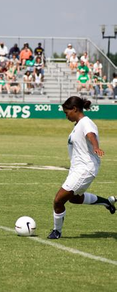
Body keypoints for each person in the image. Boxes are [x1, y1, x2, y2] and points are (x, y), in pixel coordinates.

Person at [47, 96, 116, 239]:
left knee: (58, 200)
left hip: (85, 169)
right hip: (78, 169)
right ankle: (106, 202)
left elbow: (91, 135)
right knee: (74, 199)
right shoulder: (78, 124)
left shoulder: (86, 122)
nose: (66, 116)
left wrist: (96, 147)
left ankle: (56, 231)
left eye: (67, 113)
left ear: (75, 109)